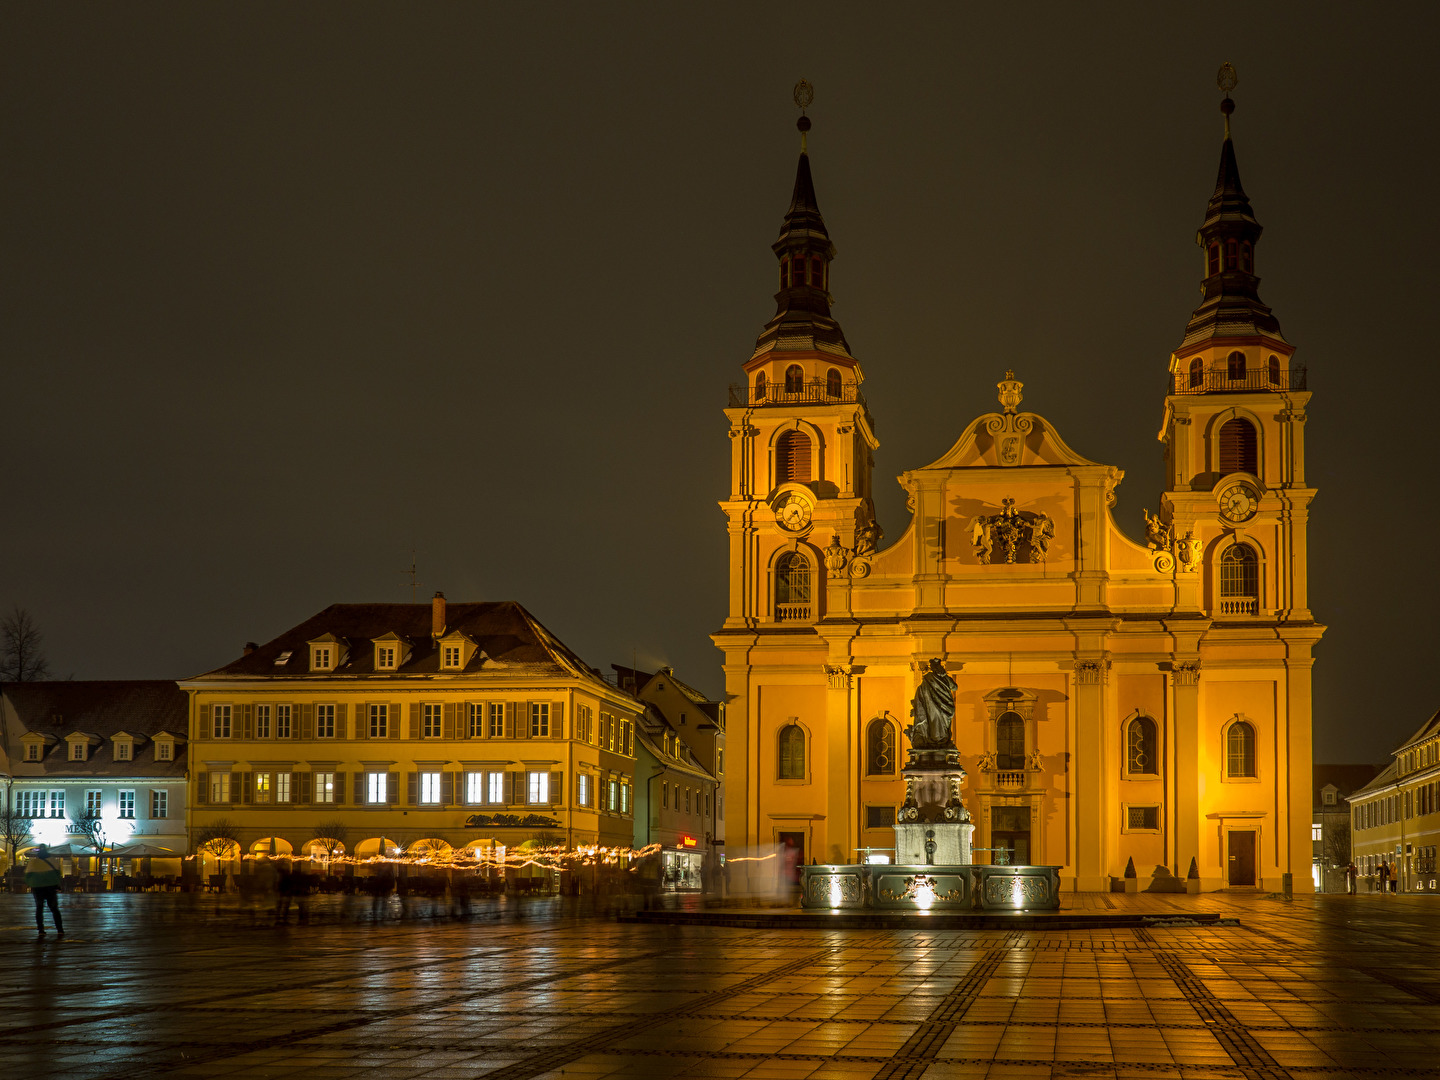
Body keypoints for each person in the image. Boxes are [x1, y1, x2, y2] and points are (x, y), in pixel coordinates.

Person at [25, 845, 65, 936]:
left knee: (39, 908)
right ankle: (60, 929)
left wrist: (30, 884)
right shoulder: (53, 861)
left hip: (37, 888)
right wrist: (57, 883)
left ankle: (41, 930)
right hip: (51, 887)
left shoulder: (33, 862)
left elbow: (27, 876)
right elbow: (58, 874)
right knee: (54, 908)